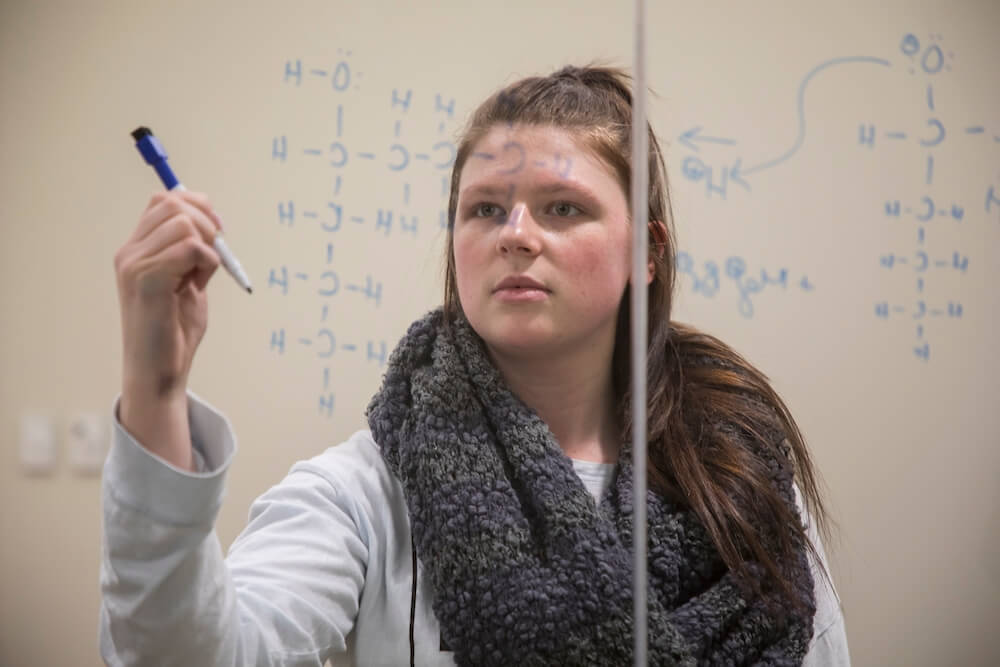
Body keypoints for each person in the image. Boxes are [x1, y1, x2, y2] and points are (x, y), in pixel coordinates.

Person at [100, 65, 849, 666]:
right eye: (485, 208)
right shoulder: (363, 494)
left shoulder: (740, 470)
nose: (515, 235)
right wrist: (156, 388)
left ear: (646, 252)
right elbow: (182, 653)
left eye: (562, 208)